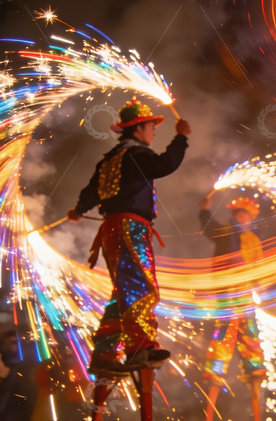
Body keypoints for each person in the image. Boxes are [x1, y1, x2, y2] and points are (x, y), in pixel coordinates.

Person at [68, 97, 191, 375]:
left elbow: (91, 192)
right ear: (139, 128)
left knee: (123, 291)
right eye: (152, 127)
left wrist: (79, 210)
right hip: (130, 227)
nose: (154, 132)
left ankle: (105, 353)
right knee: (141, 285)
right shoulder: (136, 154)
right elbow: (165, 165)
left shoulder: (109, 159)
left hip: (111, 229)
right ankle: (140, 348)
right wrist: (181, 138)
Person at [198, 195, 267, 382]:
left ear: (250, 219)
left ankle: (253, 366)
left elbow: (258, 265)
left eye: (246, 216)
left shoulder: (253, 240)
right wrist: (205, 211)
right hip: (227, 289)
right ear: (235, 216)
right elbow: (210, 228)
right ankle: (215, 368)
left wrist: (259, 285)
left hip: (244, 291)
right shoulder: (225, 232)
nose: (243, 219)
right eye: (240, 215)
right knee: (224, 327)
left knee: (249, 327)